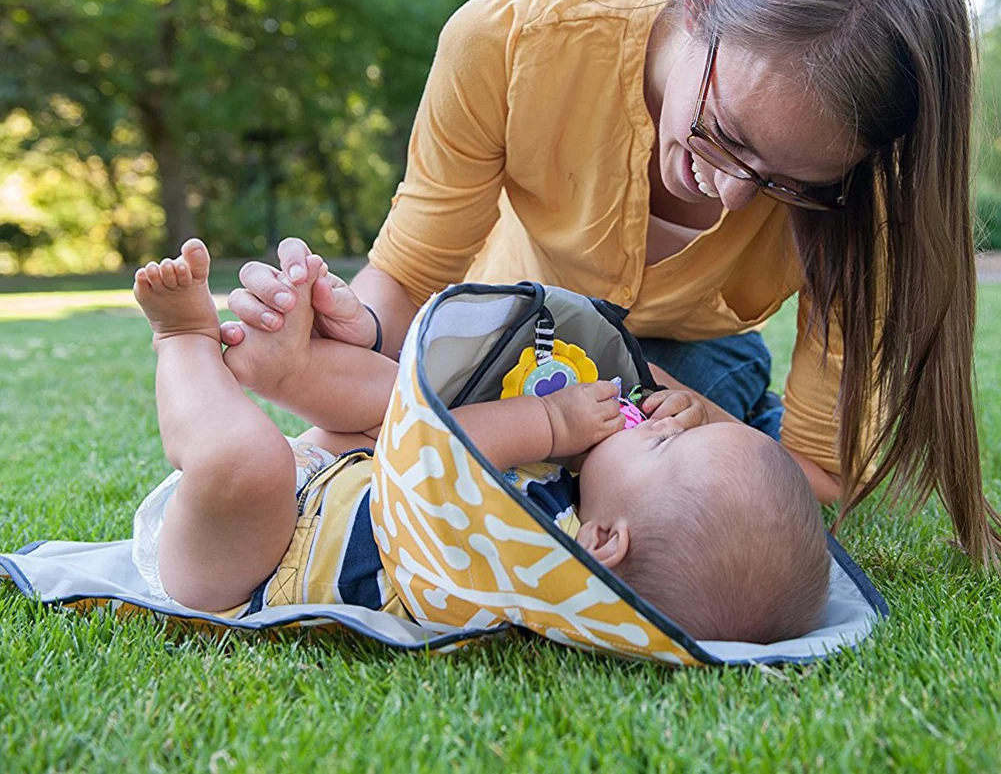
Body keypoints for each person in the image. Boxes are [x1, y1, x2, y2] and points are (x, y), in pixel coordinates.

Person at [221, 0, 1000, 564]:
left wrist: (693, 423)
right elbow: (409, 280)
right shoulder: (512, 37)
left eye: (787, 185)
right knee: (402, 431)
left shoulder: (871, 200)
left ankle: (724, 407)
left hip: (681, 360)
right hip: (493, 326)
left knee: (656, 506)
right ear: (699, 3)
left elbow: (816, 476)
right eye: (723, 131)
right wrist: (345, 329)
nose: (731, 195)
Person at [131, 239, 829, 642]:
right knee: (406, 396)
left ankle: (182, 343)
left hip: (247, 564)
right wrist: (656, 413)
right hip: (335, 481)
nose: (664, 421)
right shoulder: (579, 498)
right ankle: (292, 371)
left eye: (663, 443)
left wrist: (550, 424)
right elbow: (412, 419)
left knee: (245, 461)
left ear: (605, 541)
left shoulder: (531, 571)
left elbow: (429, 450)